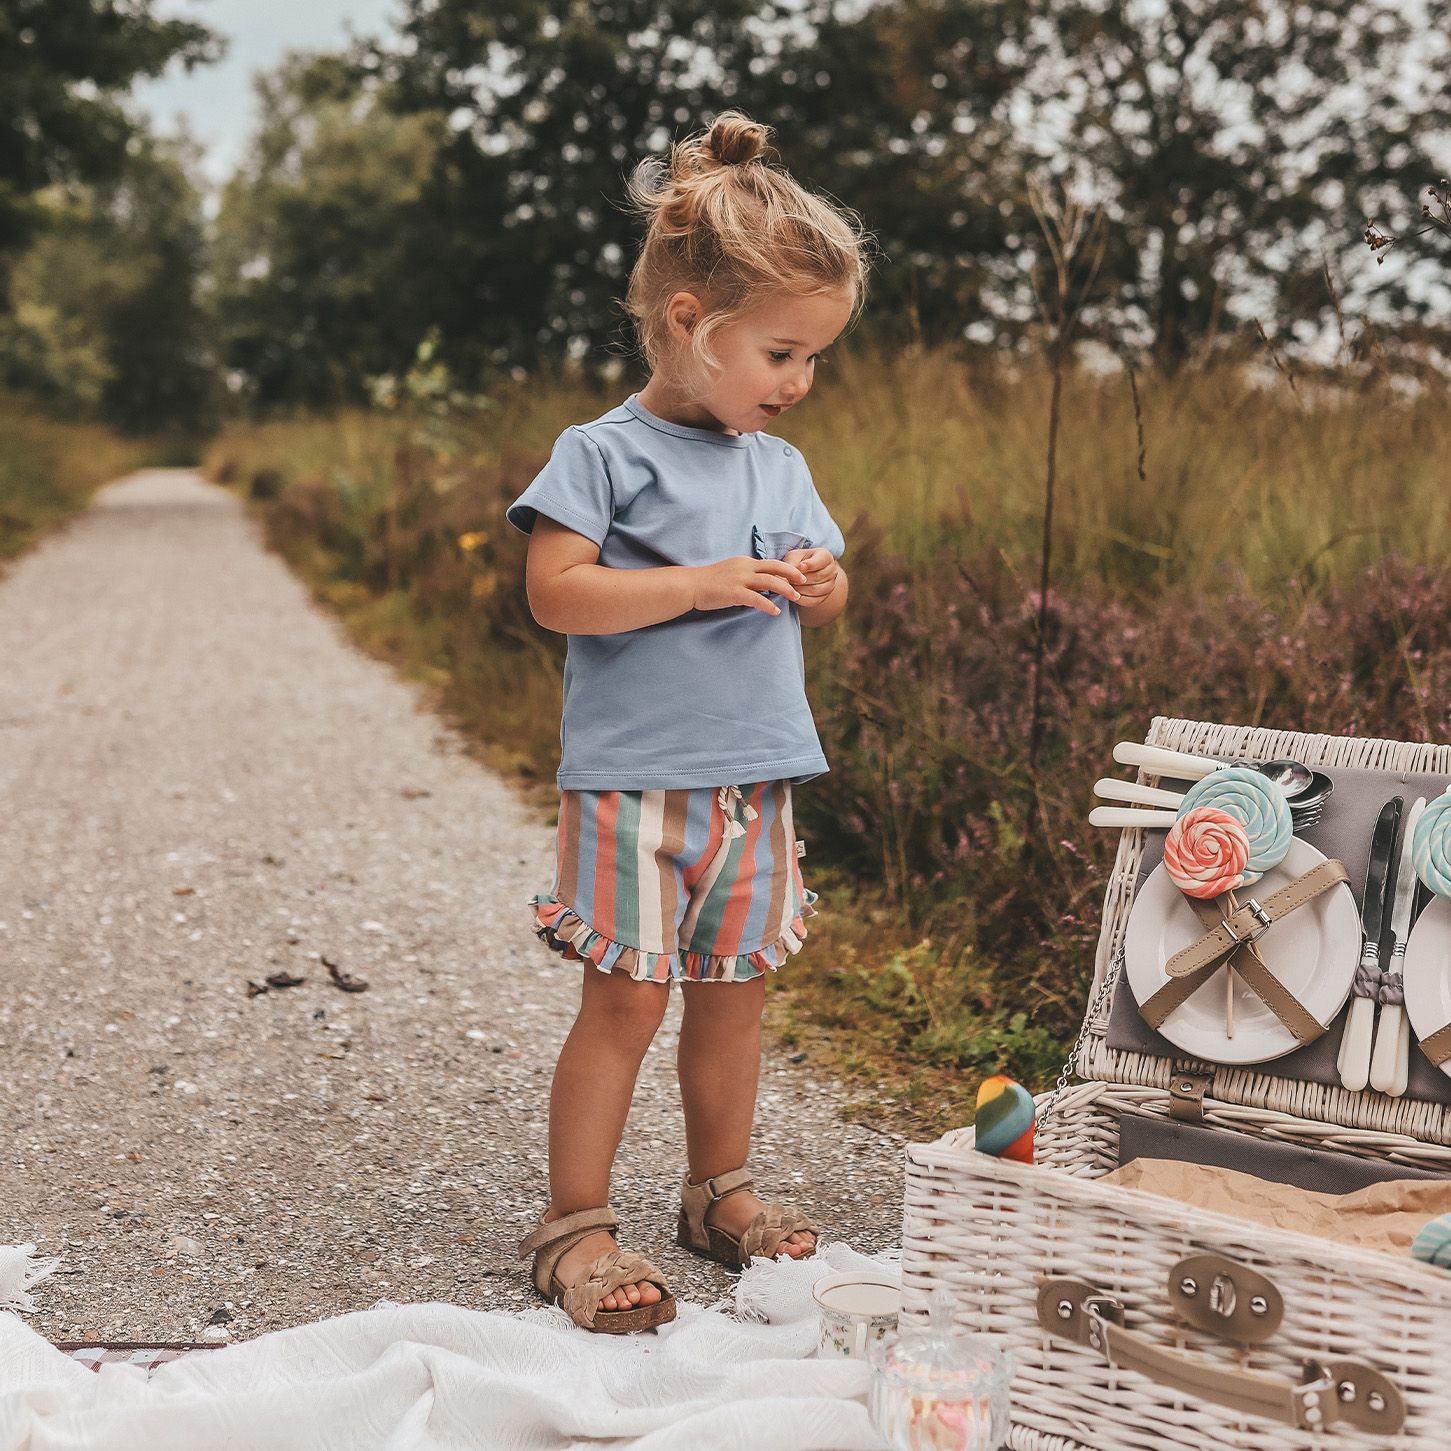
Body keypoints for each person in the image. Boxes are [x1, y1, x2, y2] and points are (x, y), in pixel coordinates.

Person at [506, 109, 872, 1334]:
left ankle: (718, 1191)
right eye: (779, 353)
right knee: (627, 1001)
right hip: (635, 784)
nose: (797, 381)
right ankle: (575, 1222)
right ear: (687, 325)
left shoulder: (778, 465)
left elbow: (817, 581)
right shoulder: (601, 455)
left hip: (754, 782)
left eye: (813, 357)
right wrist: (697, 581)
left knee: (734, 995)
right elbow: (556, 591)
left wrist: (821, 584)